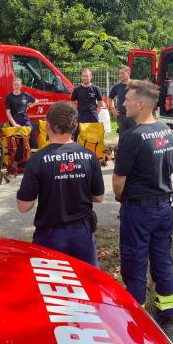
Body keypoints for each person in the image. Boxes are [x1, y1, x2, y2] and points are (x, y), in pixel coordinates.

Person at [112, 80, 173, 335]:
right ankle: (167, 314)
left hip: (139, 211)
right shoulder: (166, 131)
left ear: (141, 104)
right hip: (163, 208)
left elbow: (119, 183)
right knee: (162, 259)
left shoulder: (132, 137)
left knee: (134, 262)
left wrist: (122, 199)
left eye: (127, 99)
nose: (123, 103)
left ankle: (136, 319)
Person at [16, 101, 104, 266]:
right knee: (88, 283)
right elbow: (98, 197)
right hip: (82, 234)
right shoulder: (90, 156)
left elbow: (24, 206)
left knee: (51, 285)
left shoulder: (37, 159)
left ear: (48, 126)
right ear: (75, 126)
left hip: (50, 235)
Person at [5, 77, 39, 148]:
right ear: (12, 86)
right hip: (14, 118)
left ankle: (33, 150)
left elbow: (36, 101)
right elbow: (8, 113)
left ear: (21, 86)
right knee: (16, 136)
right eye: (15, 85)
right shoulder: (9, 97)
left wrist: (29, 106)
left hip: (24, 117)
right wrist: (14, 124)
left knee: (31, 131)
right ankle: (17, 152)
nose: (16, 86)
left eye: (18, 85)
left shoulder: (25, 95)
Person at [71, 68, 102, 140]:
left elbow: (100, 103)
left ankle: (92, 150)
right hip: (80, 115)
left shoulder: (95, 89)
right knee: (76, 135)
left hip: (92, 115)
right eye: (83, 76)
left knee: (94, 136)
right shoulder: (77, 89)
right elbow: (72, 102)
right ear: (81, 77)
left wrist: (94, 110)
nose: (85, 78)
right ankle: (76, 149)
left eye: (87, 76)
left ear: (91, 77)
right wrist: (77, 109)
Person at [108, 65, 136, 140]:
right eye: (119, 73)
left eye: (122, 73)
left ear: (128, 72)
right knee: (122, 138)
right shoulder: (117, 86)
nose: (120, 75)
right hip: (121, 116)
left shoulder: (136, 85)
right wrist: (113, 109)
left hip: (134, 116)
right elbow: (110, 98)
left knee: (135, 137)